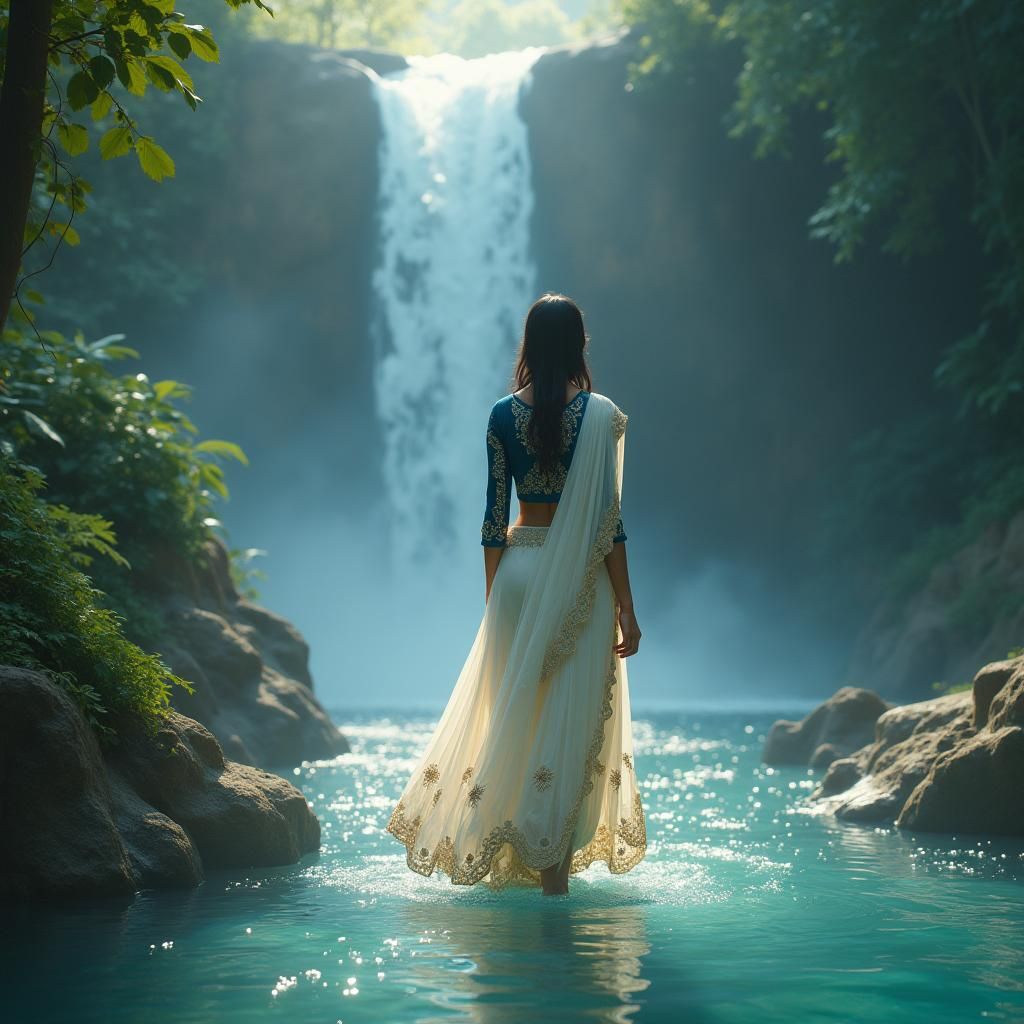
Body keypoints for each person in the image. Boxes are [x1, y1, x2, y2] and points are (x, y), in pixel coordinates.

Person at [386, 293, 646, 895]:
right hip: (581, 577)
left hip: (517, 575)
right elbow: (608, 525)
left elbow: (491, 518)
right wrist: (628, 606)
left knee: (517, 717)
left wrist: (494, 601)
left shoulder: (501, 415)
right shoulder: (603, 417)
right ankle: (552, 870)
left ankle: (499, 845)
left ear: (527, 347)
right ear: (580, 344)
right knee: (570, 724)